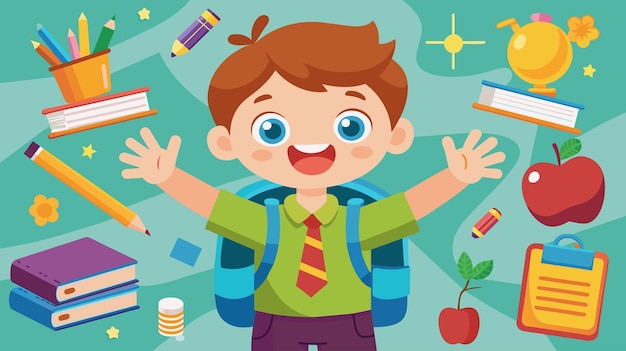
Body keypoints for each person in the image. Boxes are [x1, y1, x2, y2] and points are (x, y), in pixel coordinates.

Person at [119, 15, 505, 351]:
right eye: (271, 129)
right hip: (274, 324)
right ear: (226, 143)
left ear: (395, 136)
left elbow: (411, 205)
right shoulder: (263, 220)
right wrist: (167, 177)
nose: (311, 146)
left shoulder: (360, 219)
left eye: (350, 126)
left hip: (351, 322)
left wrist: (456, 177)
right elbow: (212, 204)